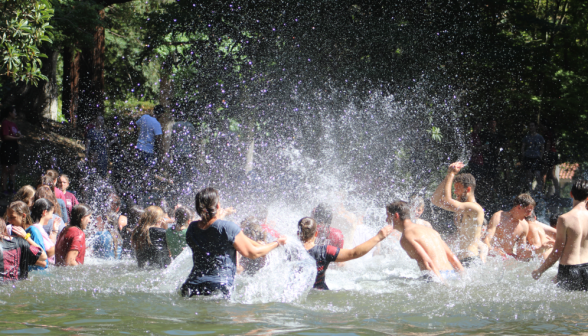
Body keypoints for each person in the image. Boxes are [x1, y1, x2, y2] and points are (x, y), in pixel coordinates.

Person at [181, 187, 286, 297]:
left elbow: (211, 228)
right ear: (217, 206)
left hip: (191, 287)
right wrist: (277, 243)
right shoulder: (228, 228)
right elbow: (253, 253)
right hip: (217, 289)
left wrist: (224, 214)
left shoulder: (192, 228)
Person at [299, 216, 393, 289]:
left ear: (298, 233)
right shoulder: (324, 251)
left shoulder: (291, 250)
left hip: (299, 291)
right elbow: (354, 253)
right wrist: (378, 237)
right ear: (316, 233)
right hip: (319, 292)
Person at [387, 201, 464, 281]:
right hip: (452, 274)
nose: (386, 220)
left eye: (388, 216)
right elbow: (452, 257)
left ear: (396, 216)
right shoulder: (431, 231)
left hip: (436, 276)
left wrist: (443, 285)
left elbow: (427, 262)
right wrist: (463, 278)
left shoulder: (406, 236)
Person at [532, 180, 588, 290]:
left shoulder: (564, 219)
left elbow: (557, 252)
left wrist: (539, 271)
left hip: (569, 270)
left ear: (571, 194)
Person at [431, 162, 485, 267]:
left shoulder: (475, 208)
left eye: (457, 188)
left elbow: (447, 200)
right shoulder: (463, 208)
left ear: (468, 189)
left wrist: (452, 174)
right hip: (462, 261)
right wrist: (448, 176)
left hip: (471, 260)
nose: (455, 192)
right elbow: (435, 200)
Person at [484, 193, 550, 260]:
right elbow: (486, 240)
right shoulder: (498, 217)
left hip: (507, 258)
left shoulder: (524, 225)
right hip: (492, 256)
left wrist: (540, 250)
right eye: (528, 211)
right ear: (519, 207)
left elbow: (521, 252)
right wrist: (493, 251)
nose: (530, 214)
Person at [5, 201, 46, 271]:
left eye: (12, 217)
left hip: (36, 273)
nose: (9, 221)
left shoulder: (33, 231)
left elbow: (44, 262)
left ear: (23, 216)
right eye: (8, 217)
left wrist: (26, 237)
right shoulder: (12, 230)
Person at [0, 106, 22, 194]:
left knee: (13, 169)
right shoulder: (5, 123)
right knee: (6, 169)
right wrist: (16, 137)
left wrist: (19, 135)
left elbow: (15, 134)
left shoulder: (14, 124)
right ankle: (4, 189)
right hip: (7, 146)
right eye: (14, 112)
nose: (15, 114)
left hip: (14, 146)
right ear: (10, 113)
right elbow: (5, 136)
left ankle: (12, 188)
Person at [521, 122, 545, 193]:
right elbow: (523, 147)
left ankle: (540, 190)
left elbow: (542, 148)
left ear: (535, 127)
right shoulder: (526, 137)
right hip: (528, 156)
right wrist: (523, 155)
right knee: (529, 174)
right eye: (530, 126)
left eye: (532, 126)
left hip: (536, 157)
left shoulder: (540, 137)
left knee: (537, 173)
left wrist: (541, 156)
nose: (531, 127)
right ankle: (530, 190)